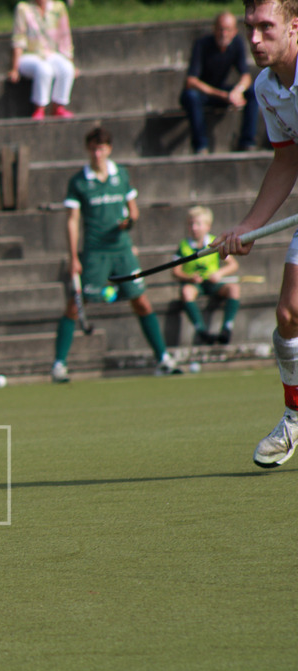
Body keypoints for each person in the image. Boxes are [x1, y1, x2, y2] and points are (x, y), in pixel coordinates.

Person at [215, 0, 298, 469]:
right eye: (250, 27)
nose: (253, 38)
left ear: (294, 26)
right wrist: (250, 226)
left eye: (266, 27)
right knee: (290, 314)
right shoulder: (266, 87)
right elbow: (287, 159)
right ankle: (295, 417)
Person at [52, 126, 181, 383]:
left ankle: (163, 359)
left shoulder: (120, 175)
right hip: (95, 252)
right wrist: (73, 257)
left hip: (122, 250)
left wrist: (129, 221)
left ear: (109, 149)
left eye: (101, 148)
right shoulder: (79, 181)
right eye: (93, 149)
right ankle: (59, 365)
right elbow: (72, 220)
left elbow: (134, 211)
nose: (97, 154)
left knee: (141, 301)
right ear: (87, 149)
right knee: (75, 304)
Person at [180, 11, 259, 154]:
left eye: (228, 30)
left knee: (253, 92)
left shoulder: (237, 44)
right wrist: (224, 95)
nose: (224, 33)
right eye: (221, 29)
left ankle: (247, 142)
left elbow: (246, 76)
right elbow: (191, 81)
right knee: (191, 96)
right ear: (214, 29)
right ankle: (201, 146)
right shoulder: (202, 44)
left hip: (222, 92)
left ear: (234, 32)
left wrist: (237, 91)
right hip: (203, 93)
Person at [171, 205, 241, 345]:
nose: (194, 228)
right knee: (186, 291)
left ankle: (227, 328)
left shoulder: (215, 243)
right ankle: (201, 330)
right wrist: (189, 277)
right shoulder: (183, 245)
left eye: (198, 224)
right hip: (195, 284)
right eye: (191, 224)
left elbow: (233, 265)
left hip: (213, 283)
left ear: (208, 226)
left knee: (234, 289)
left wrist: (219, 273)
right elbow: (175, 271)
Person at [7, 0, 75, 121]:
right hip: (29, 55)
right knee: (44, 69)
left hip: (51, 53)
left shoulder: (58, 7)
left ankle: (58, 107)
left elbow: (65, 37)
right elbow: (18, 39)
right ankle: (39, 108)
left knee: (67, 68)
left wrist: (71, 61)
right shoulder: (23, 8)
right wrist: (14, 68)